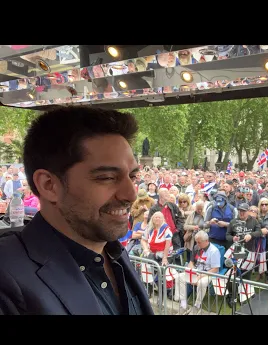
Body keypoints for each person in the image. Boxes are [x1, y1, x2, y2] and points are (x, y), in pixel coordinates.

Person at [0, 107, 154, 315]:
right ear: (49, 185)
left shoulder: (116, 254)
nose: (131, 194)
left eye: (133, 177)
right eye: (107, 177)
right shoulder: (7, 278)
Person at [175, 231, 220, 315]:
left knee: (202, 283)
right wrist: (191, 272)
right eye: (196, 242)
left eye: (199, 242)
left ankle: (197, 306)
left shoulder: (214, 251)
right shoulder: (196, 247)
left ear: (206, 241)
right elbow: (191, 262)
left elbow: (215, 269)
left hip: (208, 273)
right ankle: (184, 305)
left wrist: (200, 276)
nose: (197, 244)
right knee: (179, 277)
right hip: (196, 271)